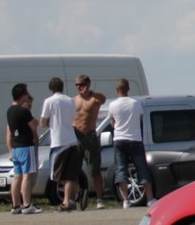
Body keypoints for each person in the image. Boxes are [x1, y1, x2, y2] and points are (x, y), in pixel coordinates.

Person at [99, 78, 146, 208]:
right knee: (141, 168)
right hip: (135, 139)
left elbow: (113, 122)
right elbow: (140, 118)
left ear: (117, 89)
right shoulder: (136, 103)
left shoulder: (113, 105)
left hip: (119, 140)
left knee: (121, 170)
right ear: (128, 89)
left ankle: (125, 200)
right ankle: (150, 198)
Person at [41, 77, 80, 212]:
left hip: (59, 142)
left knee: (55, 175)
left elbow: (43, 122)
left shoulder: (49, 101)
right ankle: (68, 200)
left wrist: (51, 122)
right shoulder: (70, 100)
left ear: (51, 88)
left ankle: (75, 192)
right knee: (69, 175)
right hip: (72, 140)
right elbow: (73, 117)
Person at [72, 75, 107, 209]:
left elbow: (103, 98)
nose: (79, 87)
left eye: (81, 84)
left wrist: (90, 92)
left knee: (94, 170)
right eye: (77, 85)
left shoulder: (94, 99)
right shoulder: (74, 100)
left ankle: (99, 199)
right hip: (76, 136)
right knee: (74, 170)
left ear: (87, 84)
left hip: (89, 136)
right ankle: (76, 197)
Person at [6, 83, 41, 216]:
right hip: (26, 146)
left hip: (16, 147)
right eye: (26, 93)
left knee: (17, 177)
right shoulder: (24, 111)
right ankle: (27, 204)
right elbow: (33, 126)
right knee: (27, 176)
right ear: (21, 95)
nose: (27, 95)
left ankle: (15, 205)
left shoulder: (10, 110)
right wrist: (37, 122)